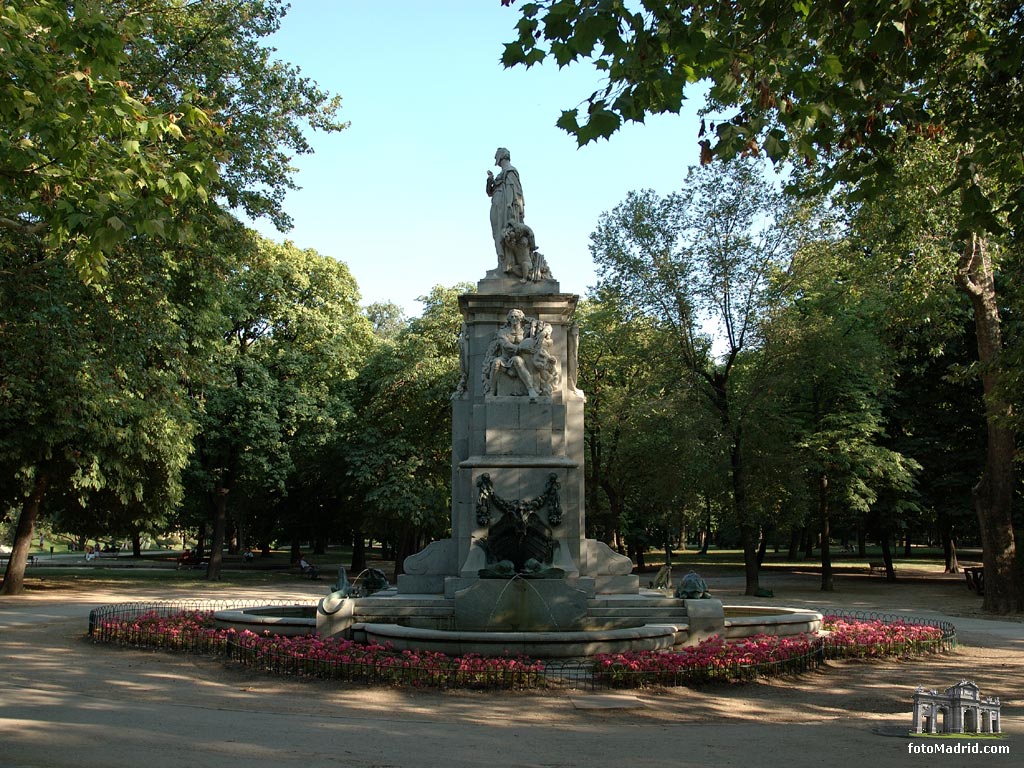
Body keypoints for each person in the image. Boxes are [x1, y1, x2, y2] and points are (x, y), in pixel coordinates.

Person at [485, 147, 524, 262]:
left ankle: (508, 263)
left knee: (504, 231)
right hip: (496, 204)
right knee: (497, 232)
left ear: (501, 156)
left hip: (505, 206)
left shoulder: (510, 171)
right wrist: (490, 180)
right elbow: (489, 192)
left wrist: (509, 206)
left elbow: (514, 191)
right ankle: (502, 262)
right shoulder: (501, 174)